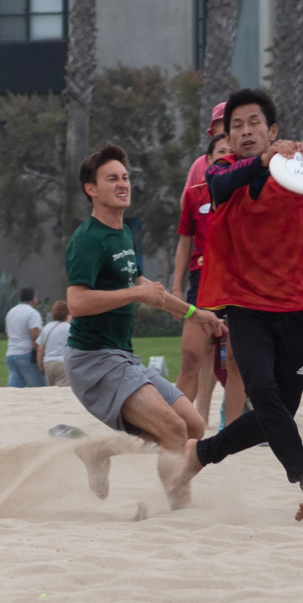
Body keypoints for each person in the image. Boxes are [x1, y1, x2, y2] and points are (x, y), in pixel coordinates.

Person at [173, 88, 303, 521]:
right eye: (236, 126)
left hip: (296, 305)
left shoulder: (298, 170)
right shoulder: (221, 172)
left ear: (272, 130)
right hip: (245, 304)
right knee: (261, 390)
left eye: (254, 123)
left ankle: (201, 453)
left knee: (278, 410)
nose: (245, 131)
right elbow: (223, 185)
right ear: (227, 137)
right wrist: (263, 162)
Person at [63, 144, 225, 509]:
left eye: (125, 177)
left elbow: (143, 286)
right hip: (93, 360)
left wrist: (194, 313)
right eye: (112, 179)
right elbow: (77, 302)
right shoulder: (88, 239)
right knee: (173, 429)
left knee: (193, 427)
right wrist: (136, 294)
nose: (123, 184)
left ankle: (98, 450)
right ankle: (180, 512)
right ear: (91, 189)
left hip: (122, 356)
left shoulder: (122, 233)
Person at [172, 133, 247, 427]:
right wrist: (176, 288)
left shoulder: (250, 192)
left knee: (237, 362)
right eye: (220, 152)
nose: (226, 156)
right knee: (191, 355)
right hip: (202, 282)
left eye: (231, 152)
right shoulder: (194, 195)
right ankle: (177, 427)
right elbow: (184, 243)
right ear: (208, 160)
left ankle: (232, 432)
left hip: (239, 284)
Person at [5, 287, 46, 388]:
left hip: (11, 353)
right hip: (26, 353)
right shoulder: (32, 313)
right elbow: (35, 337)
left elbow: (9, 335)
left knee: (14, 388)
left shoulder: (11, 312)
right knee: (39, 387)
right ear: (34, 298)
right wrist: (40, 356)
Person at [183, 102, 226, 192]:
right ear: (214, 130)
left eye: (232, 122)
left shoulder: (246, 160)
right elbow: (188, 197)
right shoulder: (200, 164)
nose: (228, 127)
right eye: (223, 123)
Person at [37, 300, 71, 387]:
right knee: (62, 390)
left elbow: (40, 349)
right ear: (67, 314)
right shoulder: (69, 328)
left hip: (48, 363)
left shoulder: (46, 327)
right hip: (62, 363)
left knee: (52, 389)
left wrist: (40, 364)